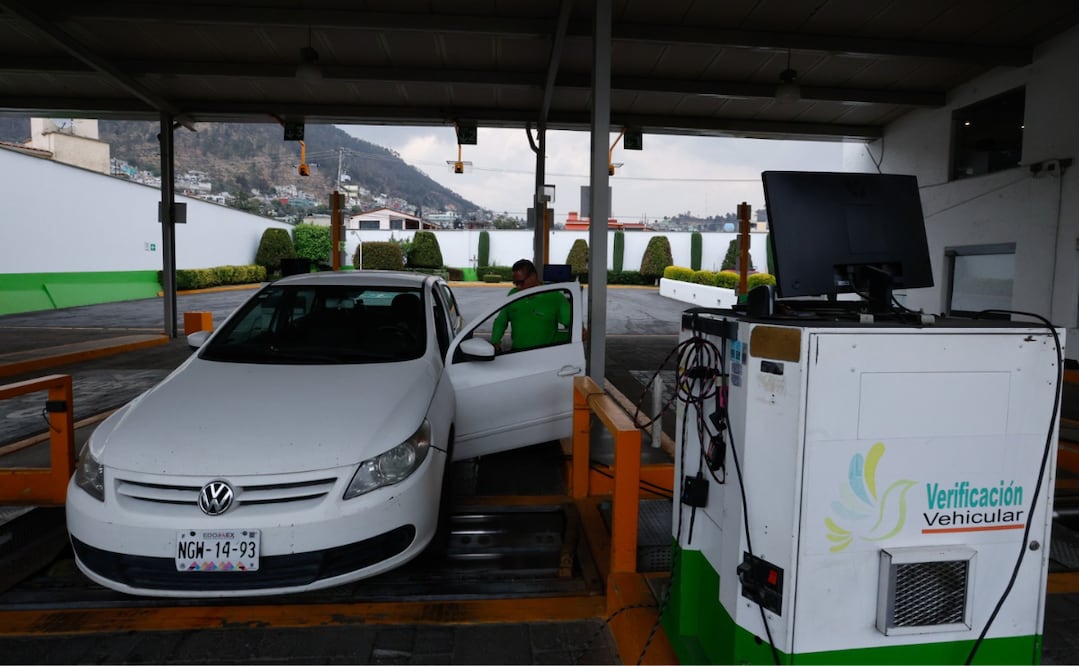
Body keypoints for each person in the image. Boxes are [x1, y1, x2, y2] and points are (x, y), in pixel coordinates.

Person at [490, 259, 571, 352]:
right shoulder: (513, 294)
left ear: (533, 277)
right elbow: (501, 321)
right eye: (515, 283)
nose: (518, 287)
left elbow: (571, 323)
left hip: (545, 355)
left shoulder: (554, 296)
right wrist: (495, 342)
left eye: (521, 282)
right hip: (517, 355)